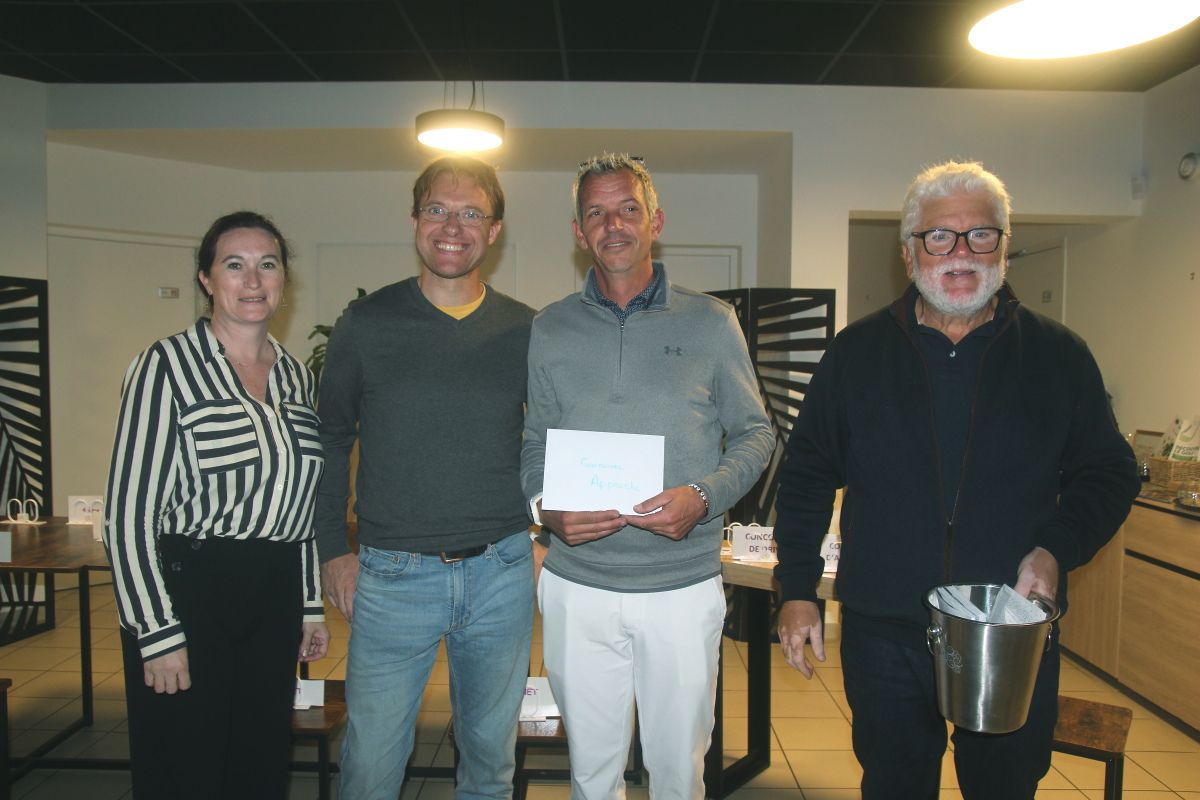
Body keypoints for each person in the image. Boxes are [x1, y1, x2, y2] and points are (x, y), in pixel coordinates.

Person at [772, 161, 1141, 800]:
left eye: (981, 235)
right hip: (886, 629)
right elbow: (805, 475)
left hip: (1010, 626)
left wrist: (1056, 549)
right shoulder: (857, 354)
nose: (961, 253)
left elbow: (1109, 473)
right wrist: (798, 589)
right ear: (909, 252)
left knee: (1004, 786)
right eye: (940, 236)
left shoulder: (1058, 355)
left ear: (1004, 246)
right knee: (895, 784)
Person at [520, 152, 775, 800]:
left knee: (679, 772)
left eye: (627, 209)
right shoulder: (550, 327)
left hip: (681, 588)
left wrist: (703, 496)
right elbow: (534, 442)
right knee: (590, 773)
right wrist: (545, 507)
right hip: (577, 588)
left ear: (654, 221)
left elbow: (757, 434)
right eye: (596, 213)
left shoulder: (711, 322)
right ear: (579, 232)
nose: (613, 225)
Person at [315, 156, 535, 799]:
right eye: (438, 209)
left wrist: (545, 535)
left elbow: (552, 439)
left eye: (471, 213)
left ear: (494, 230)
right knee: (370, 764)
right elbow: (330, 438)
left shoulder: (526, 329)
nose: (452, 227)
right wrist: (331, 549)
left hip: (501, 572)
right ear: (415, 220)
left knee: (490, 764)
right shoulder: (366, 323)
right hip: (391, 575)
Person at [104, 211, 329, 800]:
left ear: (284, 280)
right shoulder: (165, 367)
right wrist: (156, 632)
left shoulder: (296, 378)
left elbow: (301, 506)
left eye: (267, 265)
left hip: (274, 594)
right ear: (207, 279)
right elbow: (127, 516)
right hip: (190, 591)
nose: (252, 280)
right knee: (187, 765)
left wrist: (308, 605)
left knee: (259, 764)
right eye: (235, 265)